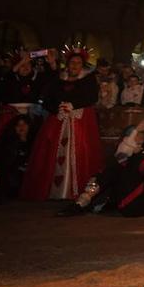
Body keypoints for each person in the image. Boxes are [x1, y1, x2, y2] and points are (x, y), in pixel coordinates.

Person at [21, 47, 104, 201]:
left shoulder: (89, 79)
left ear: (82, 65)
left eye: (78, 63)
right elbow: (47, 98)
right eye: (72, 62)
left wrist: (74, 105)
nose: (74, 65)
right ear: (67, 63)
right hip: (58, 119)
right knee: (51, 150)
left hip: (80, 121)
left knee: (81, 150)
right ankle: (52, 190)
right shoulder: (58, 78)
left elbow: (91, 97)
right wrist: (56, 109)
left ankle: (76, 190)